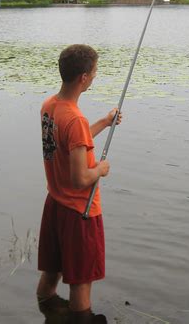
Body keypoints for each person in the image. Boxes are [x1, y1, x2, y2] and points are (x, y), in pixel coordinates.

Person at [36, 44, 122, 324]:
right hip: (79, 213)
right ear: (83, 77)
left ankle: (47, 313)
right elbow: (80, 178)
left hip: (55, 206)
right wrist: (101, 170)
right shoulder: (74, 119)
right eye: (95, 72)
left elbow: (74, 141)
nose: (96, 76)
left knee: (51, 273)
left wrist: (104, 122)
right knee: (81, 284)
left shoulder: (50, 106)